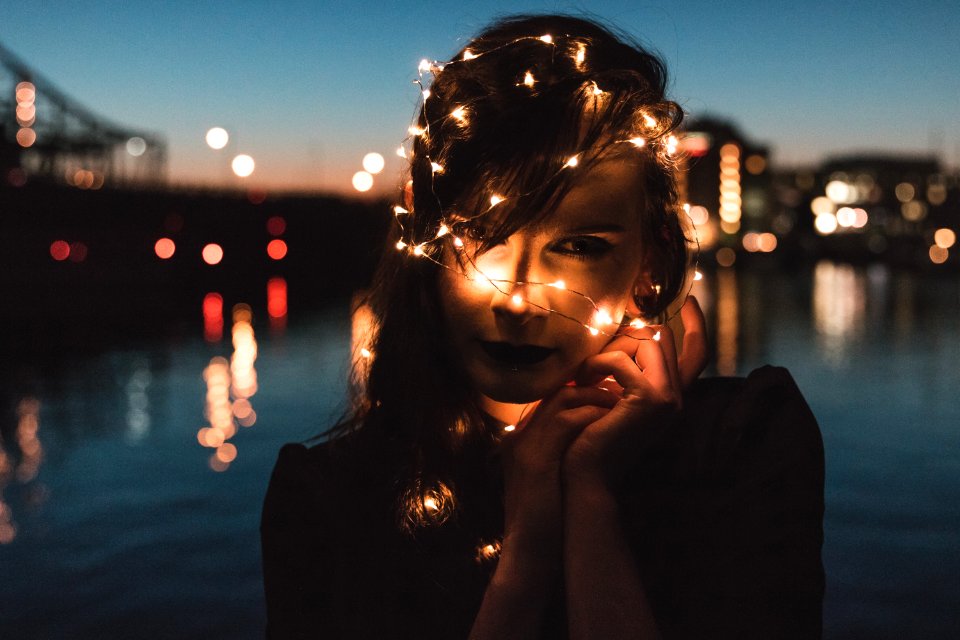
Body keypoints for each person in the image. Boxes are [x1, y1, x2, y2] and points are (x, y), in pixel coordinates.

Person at [261, 14, 824, 639]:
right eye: (483, 236)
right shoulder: (328, 502)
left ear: (652, 262)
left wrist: (588, 495)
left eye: (579, 245)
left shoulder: (745, 448)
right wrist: (524, 563)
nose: (518, 301)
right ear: (426, 240)